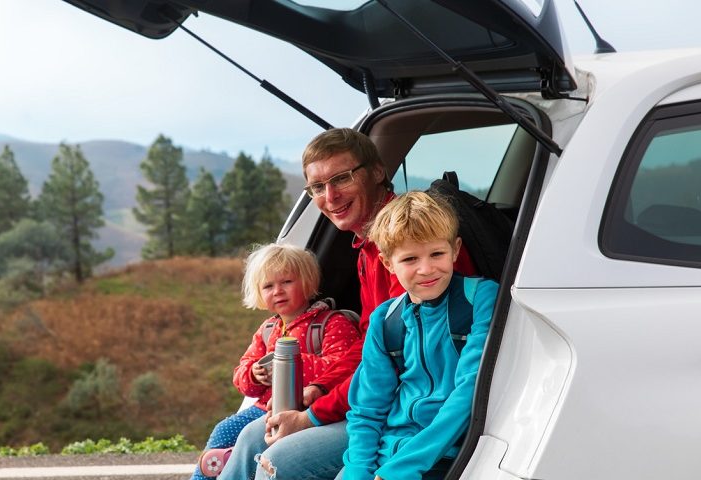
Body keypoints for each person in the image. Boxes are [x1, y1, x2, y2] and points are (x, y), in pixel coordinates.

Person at [219, 129, 475, 480]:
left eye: (341, 178)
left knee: (276, 461)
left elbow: (406, 373)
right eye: (317, 188)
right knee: (251, 436)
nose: (330, 196)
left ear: (376, 172)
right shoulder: (368, 251)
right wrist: (321, 391)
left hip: (402, 417)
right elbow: (369, 351)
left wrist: (312, 415)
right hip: (378, 406)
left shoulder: (413, 251)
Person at [339, 191, 499, 480]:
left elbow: (470, 392)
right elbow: (368, 409)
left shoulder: (480, 299)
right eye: (410, 259)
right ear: (388, 264)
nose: (426, 270)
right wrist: (357, 472)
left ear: (455, 249)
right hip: (387, 452)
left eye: (437, 254)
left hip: (447, 455)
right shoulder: (385, 321)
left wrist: (400, 470)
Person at [190, 243, 359, 480]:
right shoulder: (267, 330)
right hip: (264, 409)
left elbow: (341, 366)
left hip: (307, 406)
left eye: (286, 282)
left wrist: (288, 365)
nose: (278, 291)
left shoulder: (332, 323)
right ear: (259, 293)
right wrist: (253, 374)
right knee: (224, 429)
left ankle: (237, 457)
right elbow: (242, 374)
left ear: (308, 282)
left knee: (250, 438)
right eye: (268, 286)